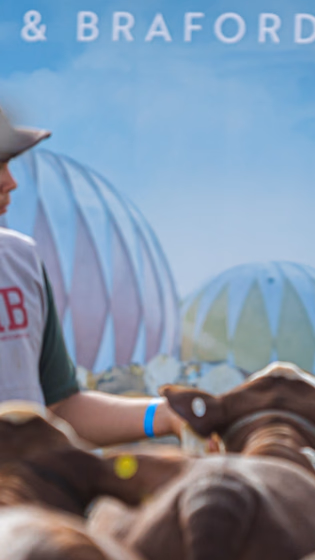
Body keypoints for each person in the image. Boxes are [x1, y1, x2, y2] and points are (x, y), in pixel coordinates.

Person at [0, 107, 182, 445]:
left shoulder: (19, 261)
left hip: (26, 490)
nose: (10, 181)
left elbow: (61, 409)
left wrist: (166, 416)